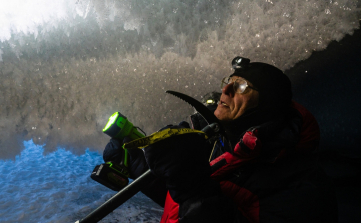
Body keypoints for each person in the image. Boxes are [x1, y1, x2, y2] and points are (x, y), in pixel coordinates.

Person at [103, 56, 338, 222]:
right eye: (228, 82)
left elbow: (199, 198)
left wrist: (194, 189)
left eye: (242, 86)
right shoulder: (217, 141)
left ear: (267, 105)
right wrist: (139, 165)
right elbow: (181, 202)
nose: (225, 91)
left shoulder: (302, 186)